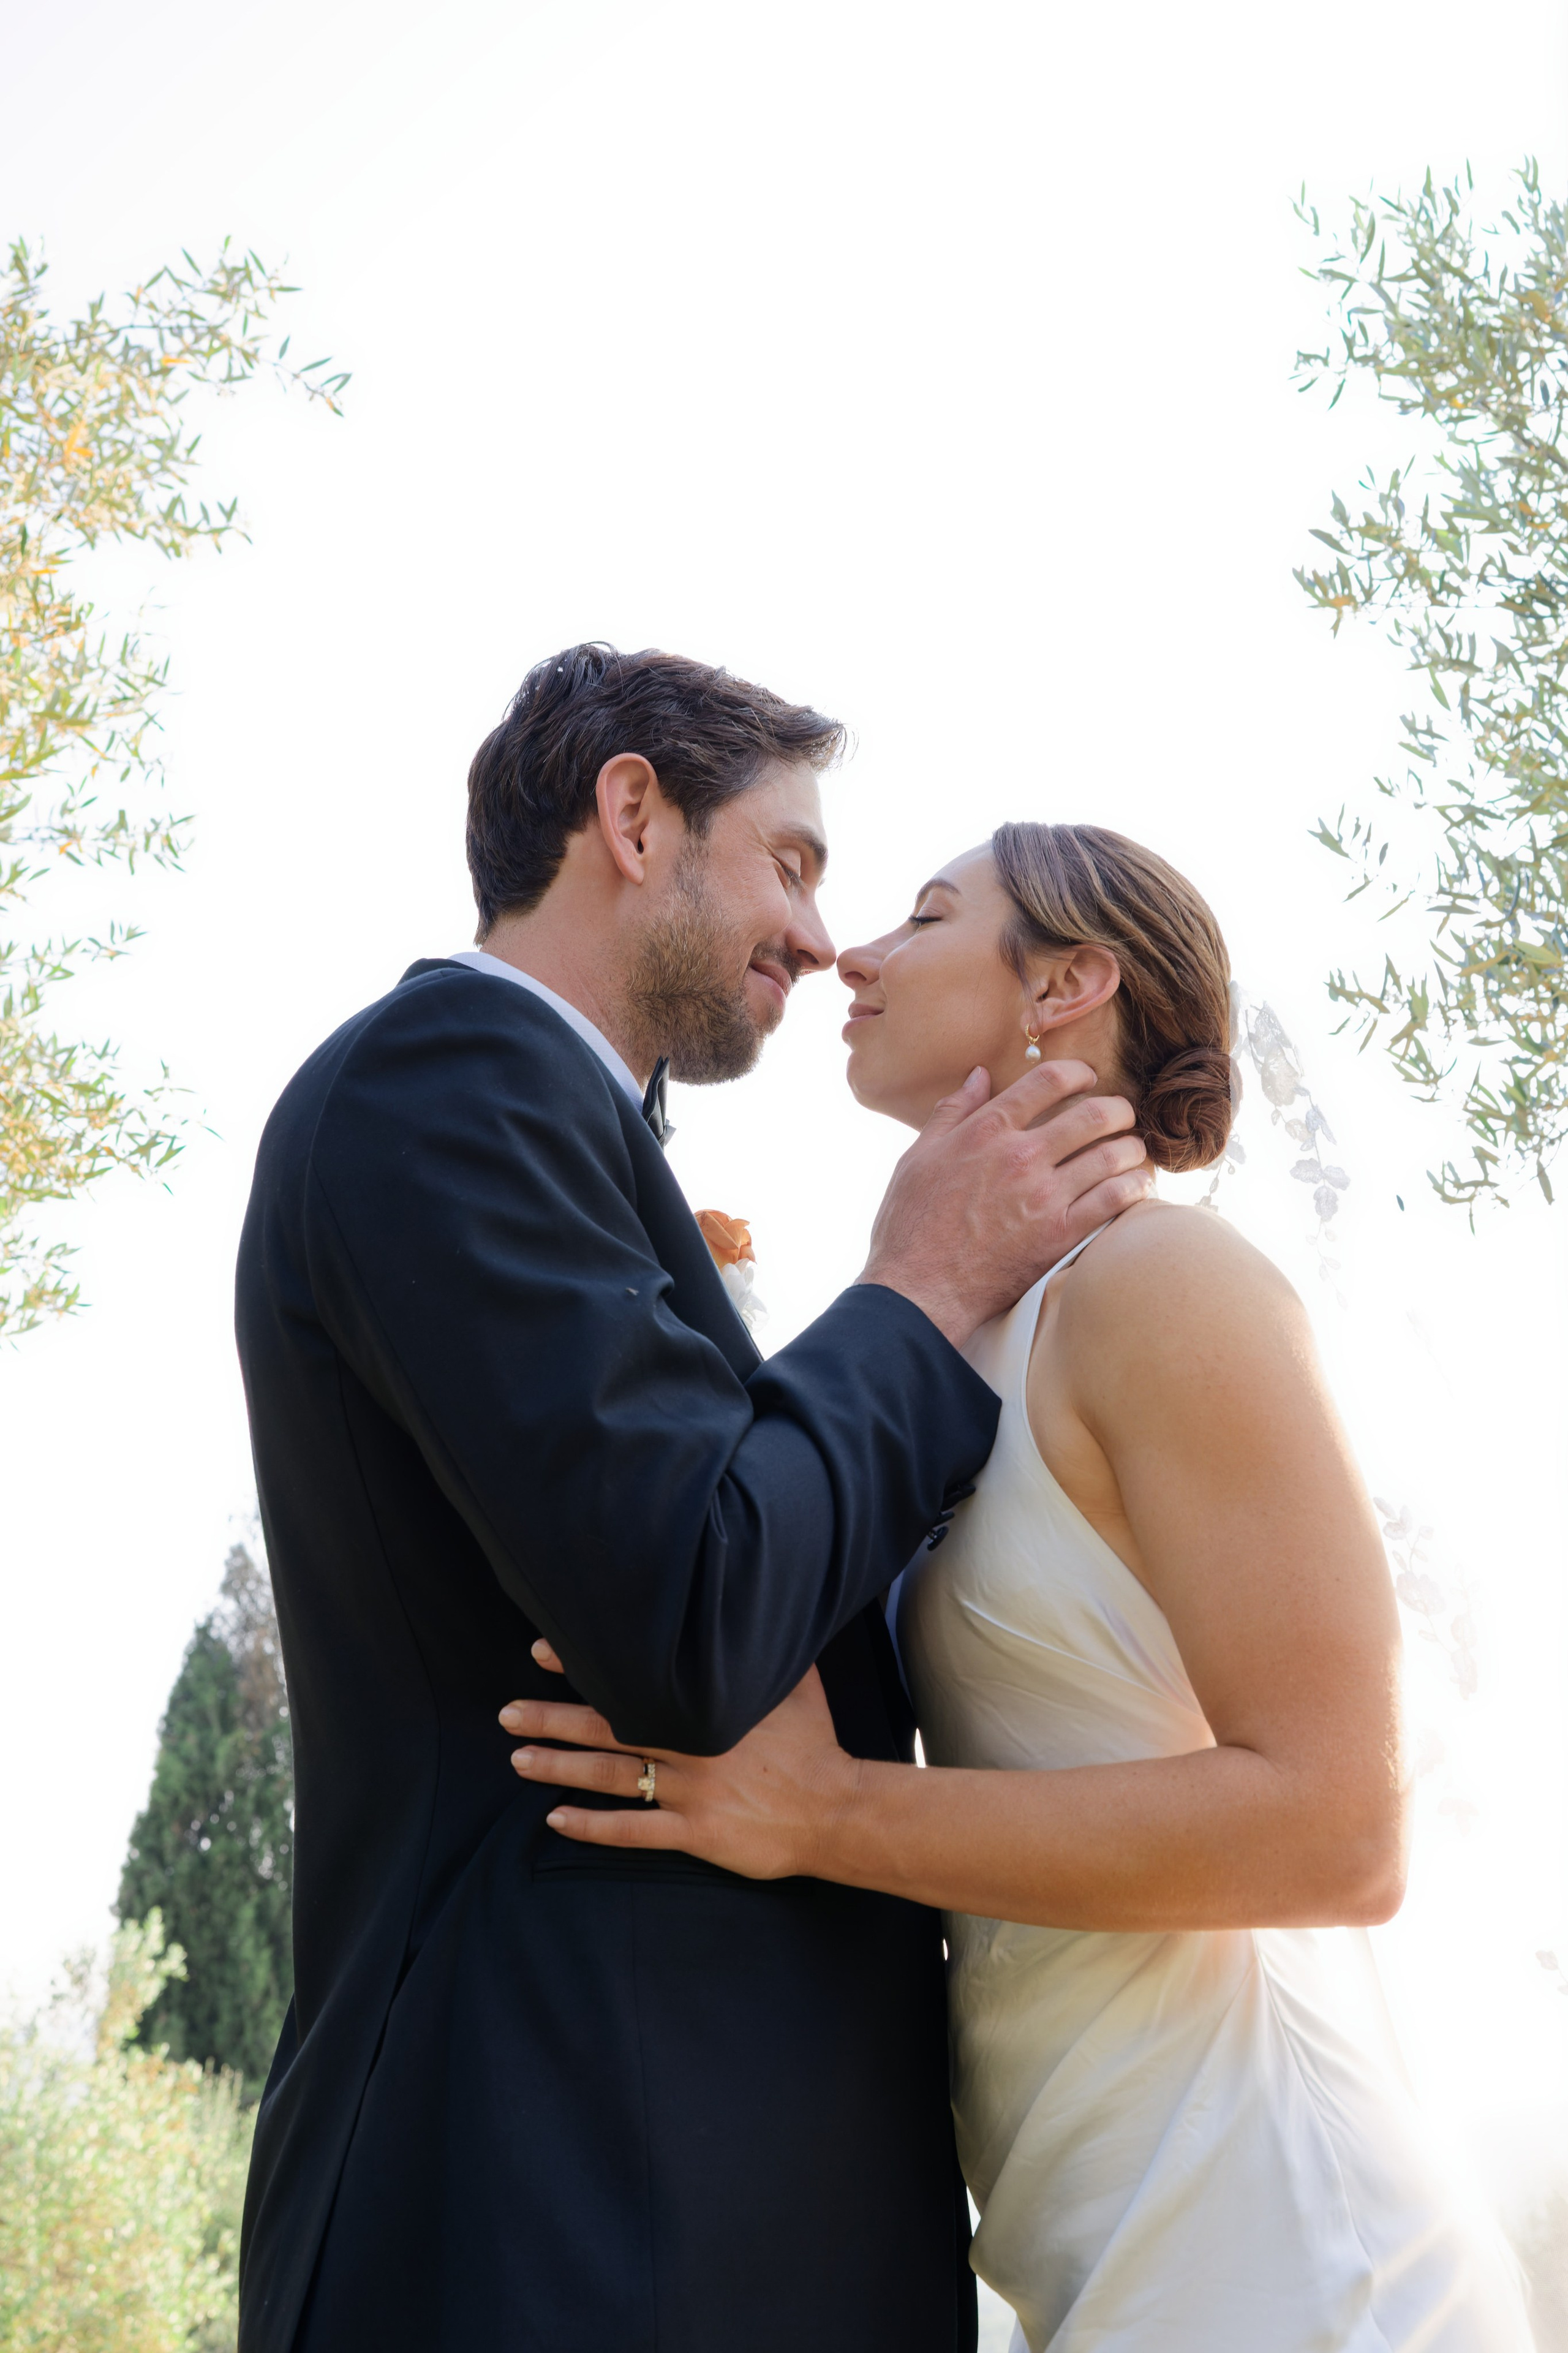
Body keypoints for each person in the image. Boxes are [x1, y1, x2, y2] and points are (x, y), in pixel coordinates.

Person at [508, 822, 1535, 2353]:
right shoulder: (972, 1339)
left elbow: (1339, 1825)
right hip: (1093, 2237)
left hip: (1286, 2242)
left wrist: (826, 1814)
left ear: (1067, 981)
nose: (851, 950)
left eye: (924, 916)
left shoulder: (1162, 1286)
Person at [233, 651, 1152, 2353]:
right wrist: (920, 1288)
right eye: (792, 861)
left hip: (695, 2221)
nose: (822, 937)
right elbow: (693, 1609)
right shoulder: (447, 1084)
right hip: (565, 2214)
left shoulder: (555, 1124)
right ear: (635, 815)